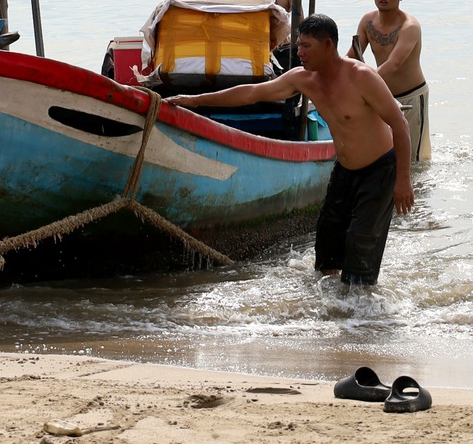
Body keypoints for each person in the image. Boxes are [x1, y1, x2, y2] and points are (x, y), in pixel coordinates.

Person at [167, 15, 412, 286]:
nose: (299, 53)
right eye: (298, 45)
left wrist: (403, 180)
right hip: (344, 169)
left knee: (360, 242)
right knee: (327, 242)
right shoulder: (303, 78)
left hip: (379, 170)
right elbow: (251, 93)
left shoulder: (362, 77)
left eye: (306, 46)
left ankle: (361, 307)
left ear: (328, 45)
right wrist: (195, 101)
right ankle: (331, 303)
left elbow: (400, 124)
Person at [350, 0, 429, 164]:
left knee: (412, 160)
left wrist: (364, 84)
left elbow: (394, 64)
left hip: (410, 96)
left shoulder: (410, 26)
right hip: (382, 96)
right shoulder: (367, 21)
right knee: (383, 156)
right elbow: (354, 56)